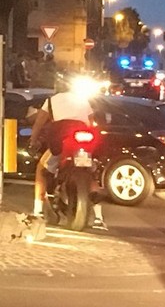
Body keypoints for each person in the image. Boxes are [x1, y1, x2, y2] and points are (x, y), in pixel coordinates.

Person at [28, 81, 106, 229]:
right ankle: (98, 217)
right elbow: (91, 123)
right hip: (83, 140)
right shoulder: (83, 101)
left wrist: (33, 141)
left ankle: (37, 210)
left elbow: (39, 123)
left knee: (41, 170)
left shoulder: (51, 101)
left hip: (61, 140)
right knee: (91, 171)